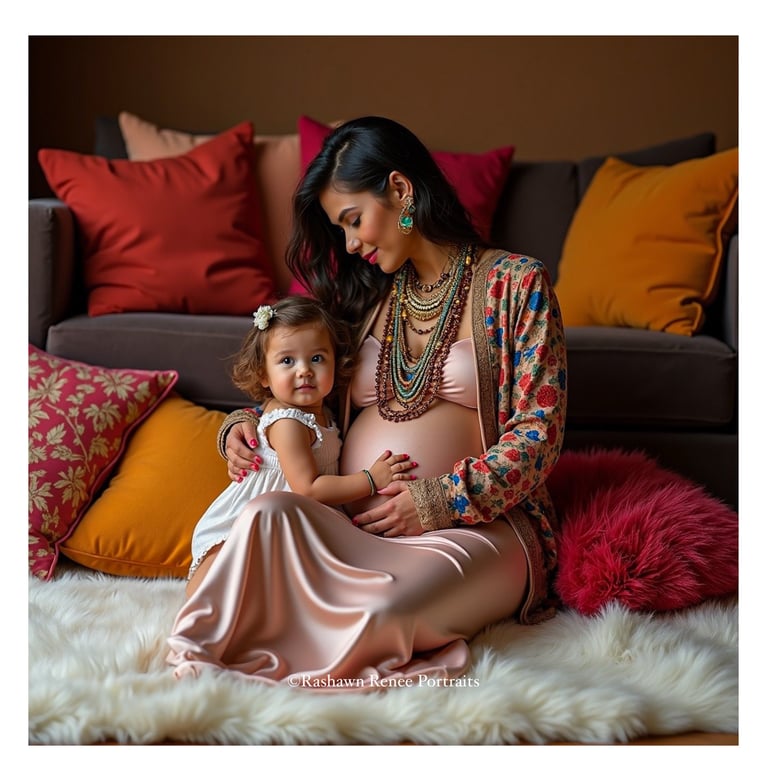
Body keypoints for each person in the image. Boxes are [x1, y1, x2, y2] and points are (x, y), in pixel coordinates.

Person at [166, 116, 567, 689]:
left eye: (353, 220)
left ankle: (293, 648)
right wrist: (242, 426)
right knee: (265, 514)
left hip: (477, 528)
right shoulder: (363, 296)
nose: (350, 243)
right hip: (351, 525)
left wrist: (436, 500)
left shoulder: (516, 285)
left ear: (401, 191)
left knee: (384, 617)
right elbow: (294, 376)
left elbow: (539, 434)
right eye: (341, 229)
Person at [184, 295, 416, 592]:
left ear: (336, 361)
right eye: (287, 361)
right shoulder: (289, 423)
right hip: (250, 523)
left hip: (287, 525)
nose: (304, 370)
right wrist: (370, 480)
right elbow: (308, 487)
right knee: (218, 585)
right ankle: (195, 616)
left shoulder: (321, 415)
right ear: (263, 375)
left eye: (317, 358)